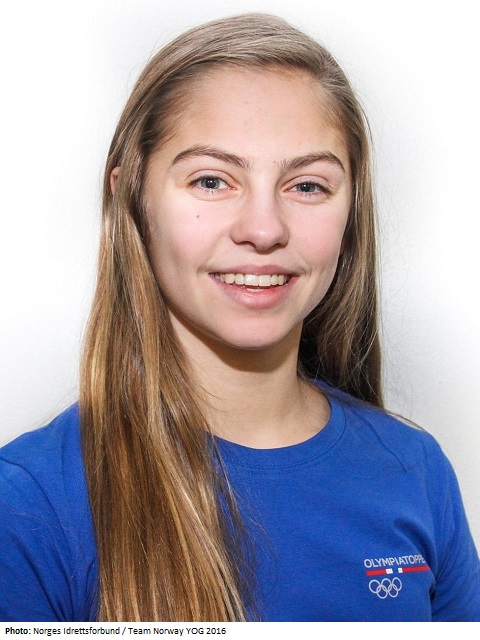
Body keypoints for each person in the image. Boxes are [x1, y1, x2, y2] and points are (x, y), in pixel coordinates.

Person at [0, 12, 479, 623]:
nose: (264, 228)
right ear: (131, 197)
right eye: (211, 180)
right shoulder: (27, 504)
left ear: (351, 211)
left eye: (307, 186)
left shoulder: (415, 468)